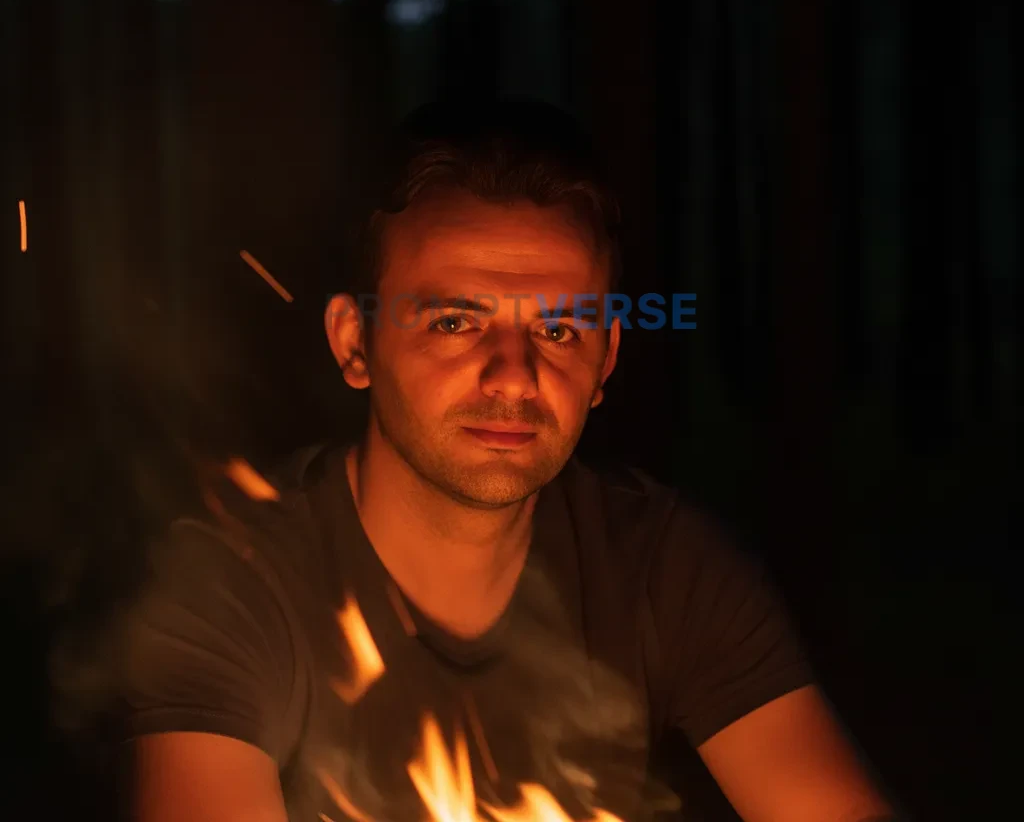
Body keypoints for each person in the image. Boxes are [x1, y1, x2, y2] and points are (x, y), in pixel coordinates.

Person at [121, 99, 899, 822]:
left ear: (605, 361)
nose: (515, 376)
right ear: (354, 343)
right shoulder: (233, 585)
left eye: (558, 333)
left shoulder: (665, 570)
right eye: (457, 322)